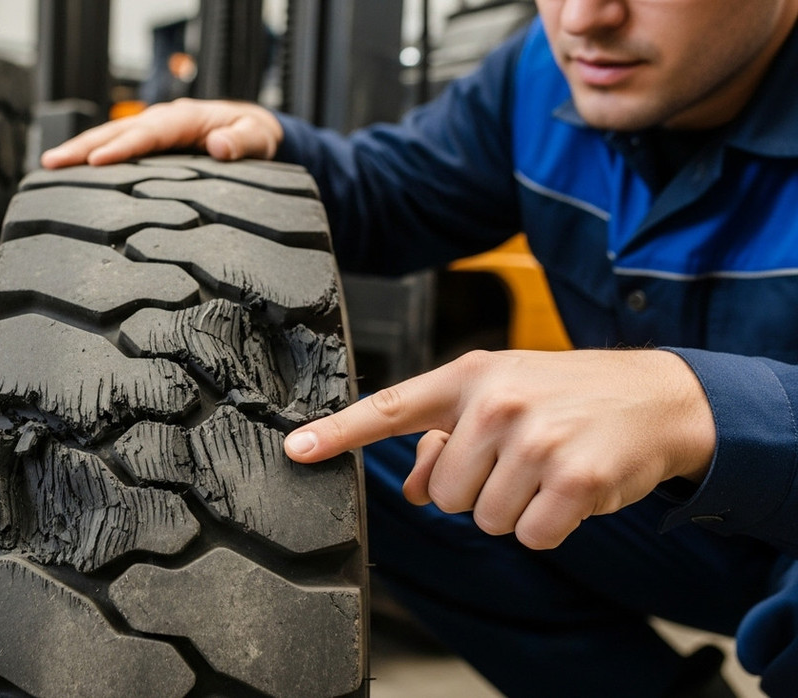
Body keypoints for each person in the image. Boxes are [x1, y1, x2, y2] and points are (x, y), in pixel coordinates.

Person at [42, 0, 798, 696]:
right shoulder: (541, 70)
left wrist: (694, 404)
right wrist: (274, 148)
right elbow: (398, 192)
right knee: (322, 458)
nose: (584, 17)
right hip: (684, 523)